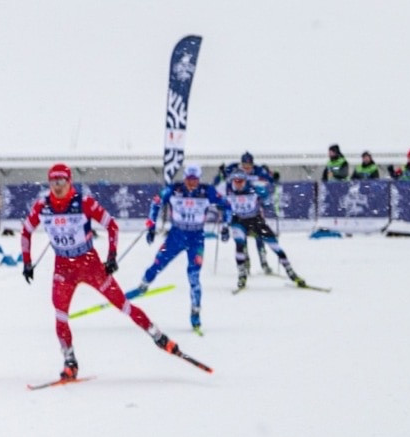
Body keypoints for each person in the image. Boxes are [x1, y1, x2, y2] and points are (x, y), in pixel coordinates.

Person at [20, 162, 197, 381]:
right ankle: (70, 362)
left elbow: (111, 225)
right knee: (60, 315)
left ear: (69, 182)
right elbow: (26, 230)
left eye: (62, 181)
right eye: (53, 181)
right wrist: (27, 263)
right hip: (64, 268)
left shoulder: (83, 203)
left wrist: (111, 256)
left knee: (123, 305)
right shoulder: (42, 206)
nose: (57, 186)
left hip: (89, 265)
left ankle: (159, 337)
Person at [131, 163, 226, 333]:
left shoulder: (207, 191)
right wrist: (151, 226)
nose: (192, 183)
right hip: (176, 236)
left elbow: (226, 205)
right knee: (158, 263)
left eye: (195, 179)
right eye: (189, 179)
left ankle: (195, 313)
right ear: (184, 178)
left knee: (194, 277)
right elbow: (156, 203)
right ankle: (143, 285)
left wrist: (226, 225)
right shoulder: (174, 190)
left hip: (196, 239)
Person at [219, 153, 305, 288]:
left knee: (275, 246)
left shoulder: (254, 188)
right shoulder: (229, 190)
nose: (238, 184)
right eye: (236, 181)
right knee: (239, 243)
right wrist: (224, 227)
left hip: (255, 219)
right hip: (239, 221)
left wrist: (268, 197)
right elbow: (226, 209)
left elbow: (268, 195)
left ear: (245, 180)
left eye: (241, 181)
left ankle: (291, 272)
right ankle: (242, 274)